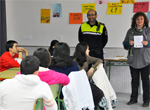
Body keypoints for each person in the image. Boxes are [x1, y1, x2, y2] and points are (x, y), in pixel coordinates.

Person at [74, 42, 117, 110]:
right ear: (83, 50)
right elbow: (79, 78)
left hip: (86, 82)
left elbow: (99, 60)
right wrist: (93, 71)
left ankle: (93, 107)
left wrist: (93, 68)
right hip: (79, 85)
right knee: (98, 93)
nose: (89, 50)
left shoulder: (87, 58)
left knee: (100, 92)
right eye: (87, 49)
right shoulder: (74, 61)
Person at [123, 12, 150, 107]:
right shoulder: (130, 31)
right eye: (137, 19)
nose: (139, 21)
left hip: (145, 60)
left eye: (141, 19)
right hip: (133, 59)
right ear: (135, 20)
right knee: (134, 80)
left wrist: (148, 44)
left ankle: (146, 100)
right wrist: (128, 44)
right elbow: (125, 45)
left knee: (145, 81)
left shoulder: (149, 31)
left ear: (145, 20)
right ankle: (133, 99)